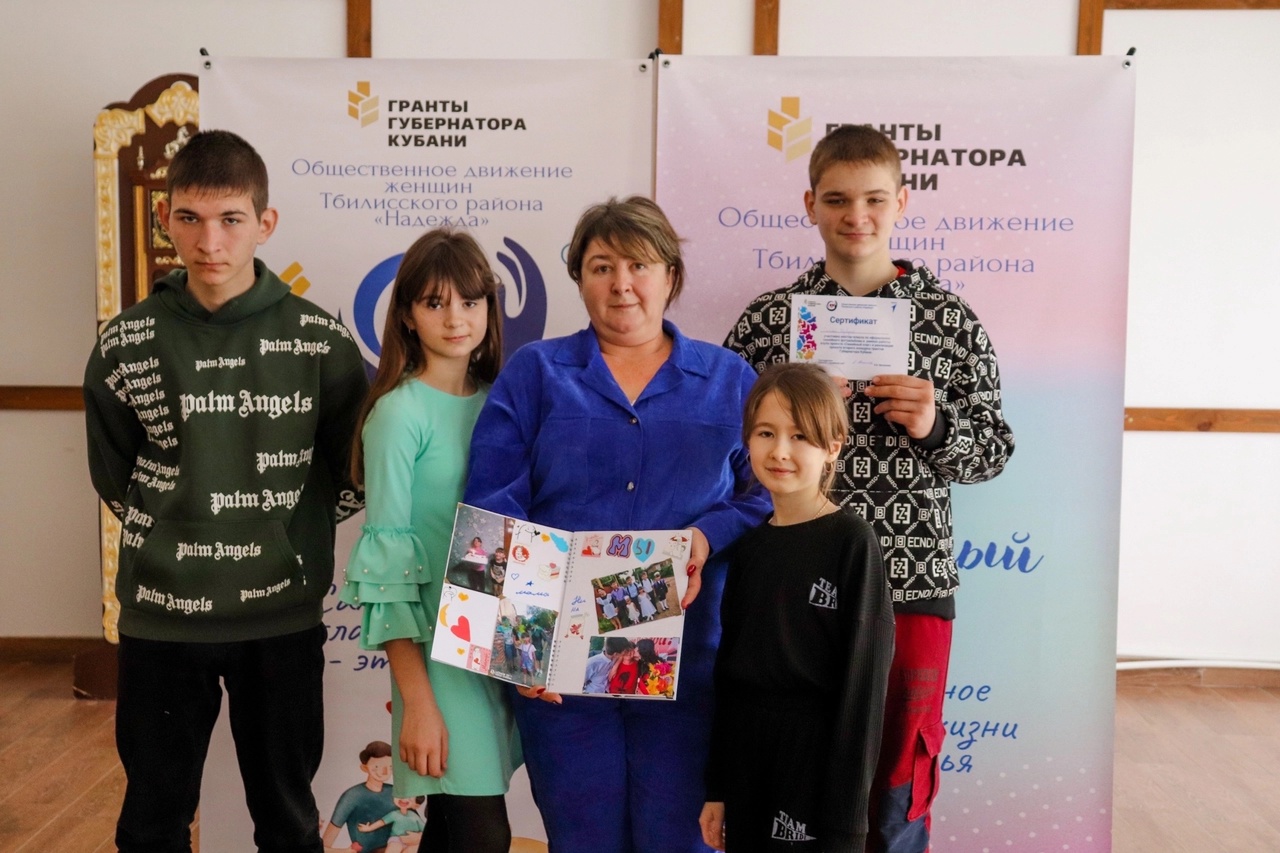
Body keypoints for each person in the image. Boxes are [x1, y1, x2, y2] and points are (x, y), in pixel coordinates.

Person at [723, 125, 1015, 853]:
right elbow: (724, 451)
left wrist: (935, 425)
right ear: (810, 205)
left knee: (897, 777)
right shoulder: (770, 321)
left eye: (875, 199)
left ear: (902, 202)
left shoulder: (950, 320)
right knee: (794, 769)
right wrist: (794, 410)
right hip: (788, 582)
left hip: (910, 581)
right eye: (837, 199)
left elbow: (993, 453)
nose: (857, 215)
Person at [82, 129, 369, 853]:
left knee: (288, 820)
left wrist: (284, 542)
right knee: (151, 822)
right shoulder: (126, 342)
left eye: (231, 219)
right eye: (190, 217)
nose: (210, 241)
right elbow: (115, 475)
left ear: (265, 222)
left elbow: (346, 477)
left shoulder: (321, 343)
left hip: (280, 620)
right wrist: (174, 532)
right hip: (162, 619)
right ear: (166, 219)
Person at [465, 195, 771, 852]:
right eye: (602, 267)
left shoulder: (729, 380)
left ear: (670, 276)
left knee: (682, 839)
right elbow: (493, 508)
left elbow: (770, 494)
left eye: (639, 265)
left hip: (691, 663)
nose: (621, 284)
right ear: (579, 278)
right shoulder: (535, 373)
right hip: (561, 665)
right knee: (582, 837)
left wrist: (706, 534)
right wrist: (520, 649)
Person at [338, 228, 521, 853]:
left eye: (470, 301)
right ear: (407, 316)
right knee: (483, 836)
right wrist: (415, 700)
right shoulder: (399, 413)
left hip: (496, 645)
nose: (455, 318)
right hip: (436, 657)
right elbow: (387, 568)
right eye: (435, 302)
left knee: (451, 831)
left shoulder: (502, 403)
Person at [700, 363, 895, 852]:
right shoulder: (749, 548)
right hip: (748, 765)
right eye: (766, 433)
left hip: (816, 765)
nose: (780, 451)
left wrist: (847, 826)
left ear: (833, 447)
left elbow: (864, 692)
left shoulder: (852, 542)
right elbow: (730, 678)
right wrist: (718, 788)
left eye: (801, 436)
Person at [322, 740, 396, 852]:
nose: (385, 771)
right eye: (377, 766)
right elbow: (324, 846)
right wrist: (344, 852)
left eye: (390, 767)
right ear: (364, 768)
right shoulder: (352, 796)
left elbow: (416, 826)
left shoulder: (395, 792)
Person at [358, 796, 426, 853]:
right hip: (396, 840)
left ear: (415, 805)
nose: (404, 799)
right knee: (393, 849)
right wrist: (369, 828)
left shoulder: (415, 817)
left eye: (409, 799)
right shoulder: (394, 814)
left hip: (412, 843)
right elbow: (382, 822)